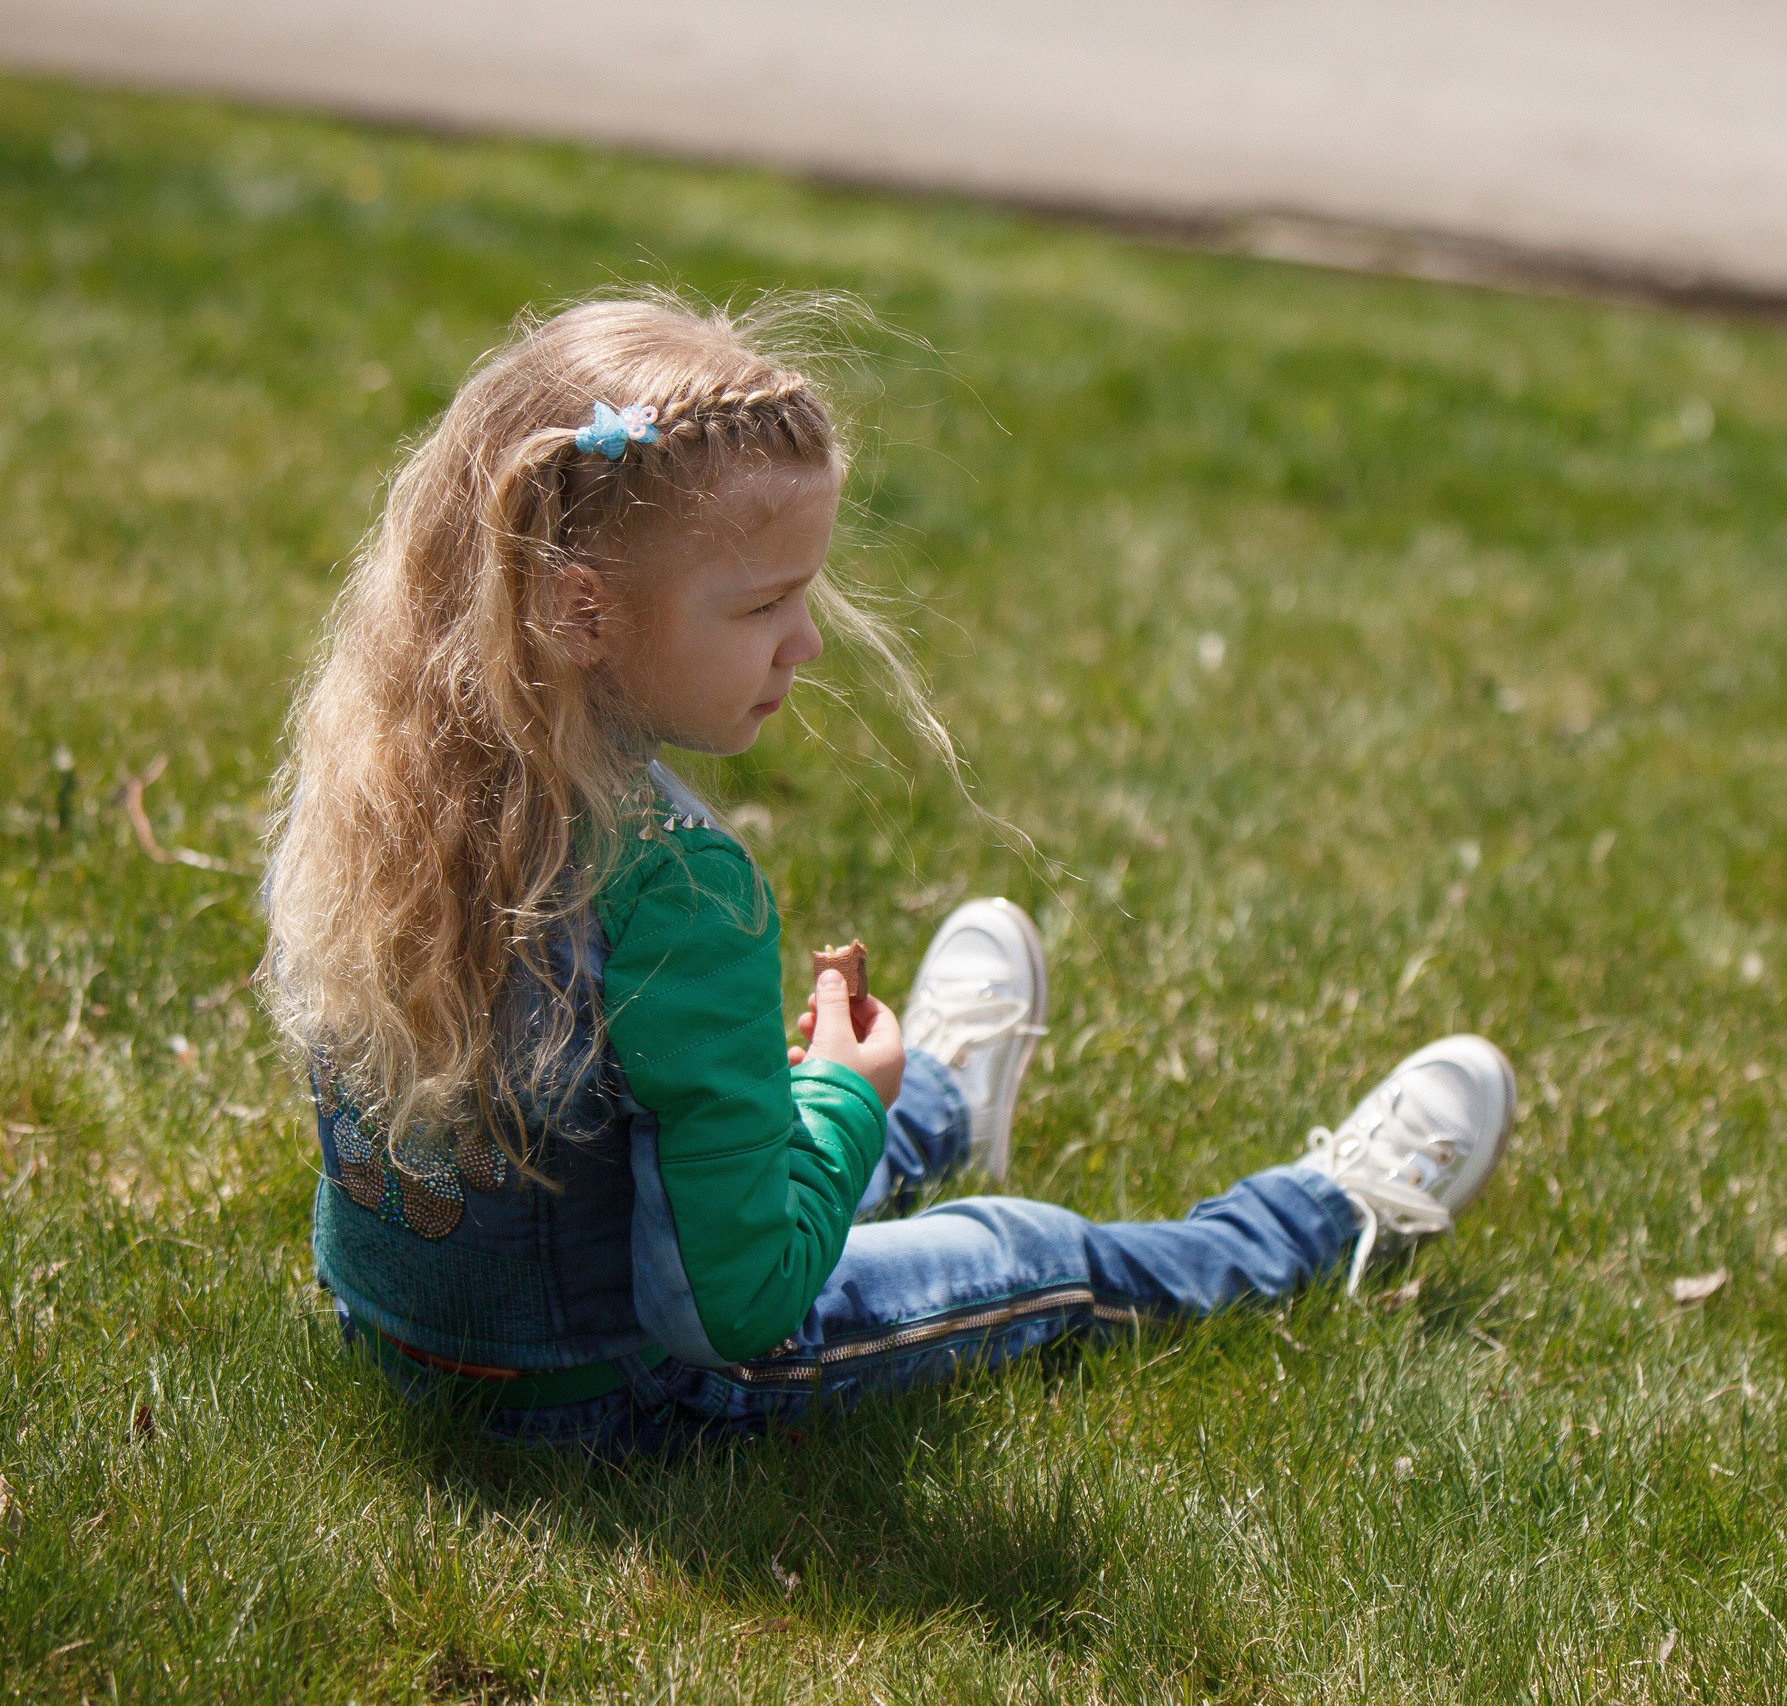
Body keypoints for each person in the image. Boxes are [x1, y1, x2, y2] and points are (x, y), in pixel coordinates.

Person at [259, 296, 1516, 1455]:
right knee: (1020, 1249)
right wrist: (842, 1098)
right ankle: (1321, 1219)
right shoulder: (671, 888)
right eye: (764, 606)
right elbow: (731, 1307)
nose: (805, 641)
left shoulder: (376, 778)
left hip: (408, 1351)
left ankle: (938, 1106)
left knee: (776, 1135)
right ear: (582, 610)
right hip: (619, 1392)